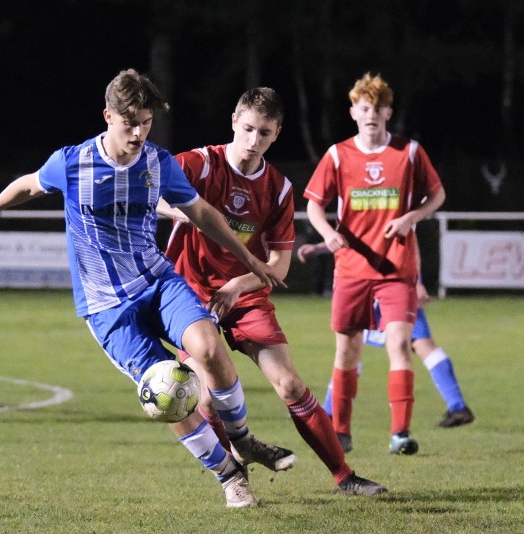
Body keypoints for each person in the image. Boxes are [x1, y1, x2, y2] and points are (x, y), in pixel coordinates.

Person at [0, 69, 295, 508]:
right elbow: (29, 183)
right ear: (108, 116)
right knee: (167, 394)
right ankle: (229, 476)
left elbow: (204, 213)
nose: (139, 133)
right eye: (130, 122)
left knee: (209, 347)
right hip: (106, 307)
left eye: (147, 122)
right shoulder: (73, 161)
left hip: (157, 282)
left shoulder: (158, 163)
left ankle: (243, 439)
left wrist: (250, 259)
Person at [159, 87, 386, 496]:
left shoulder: (278, 189)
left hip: (243, 295)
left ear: (276, 133)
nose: (252, 140)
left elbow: (278, 267)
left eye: (264, 133)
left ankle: (345, 477)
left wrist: (236, 285)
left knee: (291, 385)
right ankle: (235, 478)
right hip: (190, 295)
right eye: (247, 129)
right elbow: (147, 192)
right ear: (233, 121)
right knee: (208, 401)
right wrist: (181, 210)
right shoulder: (199, 165)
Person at [303, 73, 446, 455]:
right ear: (353, 112)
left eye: (377, 109)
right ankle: (343, 431)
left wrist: (411, 217)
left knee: (400, 344)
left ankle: (400, 433)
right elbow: (314, 204)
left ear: (388, 112)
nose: (371, 115)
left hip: (397, 269)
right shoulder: (337, 155)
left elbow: (437, 194)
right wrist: (328, 232)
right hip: (351, 269)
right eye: (364, 108)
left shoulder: (410, 152)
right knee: (347, 351)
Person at [297, 241, 474, 430]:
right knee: (421, 344)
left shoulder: (394, 213)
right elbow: (357, 234)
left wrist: (417, 282)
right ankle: (457, 406)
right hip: (396, 278)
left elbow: (402, 237)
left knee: (351, 348)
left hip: (379, 280)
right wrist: (320, 248)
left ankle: (332, 413)